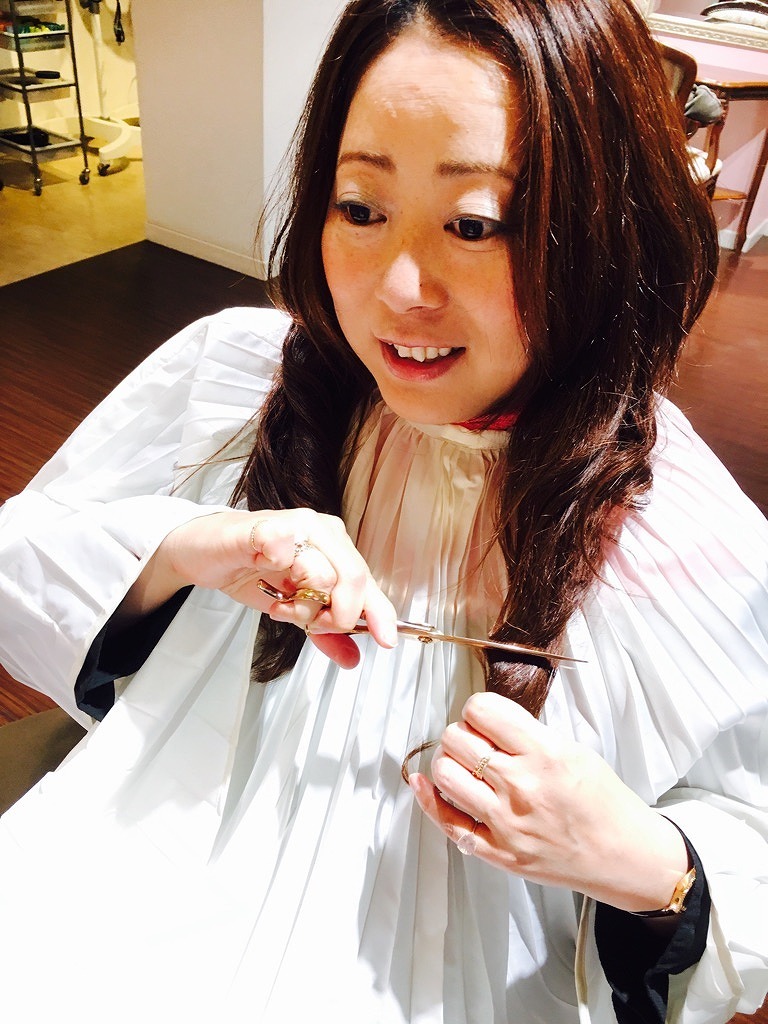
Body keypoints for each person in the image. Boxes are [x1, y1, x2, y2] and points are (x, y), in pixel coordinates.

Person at [0, 1, 766, 1021]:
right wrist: (182, 552)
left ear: (604, 231)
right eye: (360, 209)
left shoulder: (682, 530)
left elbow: (748, 823)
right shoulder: (233, 379)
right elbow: (21, 565)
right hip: (132, 897)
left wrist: (644, 860)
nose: (397, 289)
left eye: (475, 225)